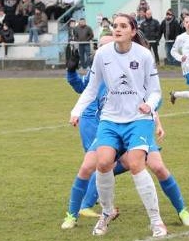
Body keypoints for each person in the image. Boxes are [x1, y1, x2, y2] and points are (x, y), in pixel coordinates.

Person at [61, 36, 189, 230]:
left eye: (106, 45)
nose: (104, 49)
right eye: (101, 45)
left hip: (136, 127)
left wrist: (157, 122)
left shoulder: (136, 67)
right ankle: (72, 216)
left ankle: (182, 211)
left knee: (158, 167)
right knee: (87, 167)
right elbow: (84, 89)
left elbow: (153, 97)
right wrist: (71, 72)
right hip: (111, 129)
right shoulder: (101, 72)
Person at [70, 14, 167, 238]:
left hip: (138, 119)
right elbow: (91, 88)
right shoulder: (102, 54)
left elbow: (155, 91)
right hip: (111, 119)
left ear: (133, 31)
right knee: (102, 163)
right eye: (115, 26)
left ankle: (156, 221)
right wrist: (76, 111)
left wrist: (149, 106)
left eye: (123, 26)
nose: (118, 29)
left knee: (135, 164)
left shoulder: (143, 55)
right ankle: (106, 213)